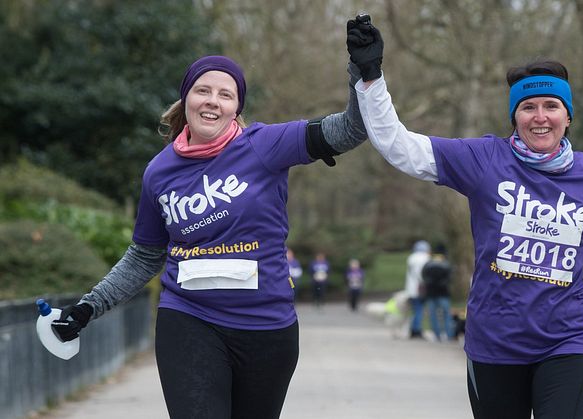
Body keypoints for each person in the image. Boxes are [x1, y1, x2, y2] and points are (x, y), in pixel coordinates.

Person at [346, 15, 583, 419]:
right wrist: (371, 78)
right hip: (494, 343)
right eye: (528, 107)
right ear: (515, 116)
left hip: (566, 341)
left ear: (568, 116)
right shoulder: (484, 160)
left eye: (551, 106)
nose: (540, 116)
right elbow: (399, 146)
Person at [48, 52, 369, 419]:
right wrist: (89, 307)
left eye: (225, 94)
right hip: (188, 318)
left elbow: (350, 130)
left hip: (266, 328)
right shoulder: (159, 172)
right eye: (203, 90)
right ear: (187, 99)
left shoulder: (266, 145)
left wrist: (362, 72)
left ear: (236, 107)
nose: (212, 101)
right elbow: (144, 256)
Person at [421, 244, 455, 341]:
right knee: (446, 315)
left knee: (433, 315)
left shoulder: (428, 264)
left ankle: (437, 335)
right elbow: (449, 278)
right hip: (443, 293)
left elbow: (423, 276)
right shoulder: (446, 264)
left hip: (431, 293)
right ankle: (449, 335)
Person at [405, 240, 430, 338]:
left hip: (410, 288)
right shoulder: (425, 258)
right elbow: (422, 274)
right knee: (419, 309)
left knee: (415, 309)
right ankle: (416, 330)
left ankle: (413, 328)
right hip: (420, 288)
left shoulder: (411, 258)